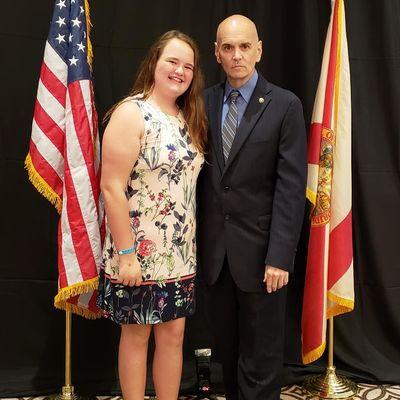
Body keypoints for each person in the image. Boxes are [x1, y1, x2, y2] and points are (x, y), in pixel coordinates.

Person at [197, 15, 307, 400]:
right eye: (228, 47)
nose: (237, 55)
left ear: (259, 50)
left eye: (245, 46)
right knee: (227, 359)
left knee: (260, 363)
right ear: (217, 53)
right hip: (215, 258)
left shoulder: (285, 105)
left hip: (264, 260)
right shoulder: (202, 103)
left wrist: (280, 256)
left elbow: (291, 188)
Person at [97, 30, 207, 400]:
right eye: (172, 62)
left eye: (187, 66)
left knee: (174, 336)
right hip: (137, 255)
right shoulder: (131, 112)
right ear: (154, 64)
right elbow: (111, 187)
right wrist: (127, 255)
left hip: (178, 254)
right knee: (137, 333)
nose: (179, 71)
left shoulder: (186, 117)